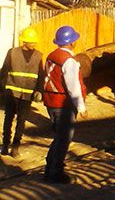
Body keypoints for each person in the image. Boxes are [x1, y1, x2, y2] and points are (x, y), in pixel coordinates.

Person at [43, 25, 87, 184]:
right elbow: (73, 86)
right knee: (64, 139)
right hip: (63, 104)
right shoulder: (69, 61)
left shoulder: (51, 55)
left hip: (51, 102)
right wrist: (81, 107)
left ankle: (50, 168)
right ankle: (55, 173)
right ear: (72, 42)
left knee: (58, 136)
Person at [0, 27, 45, 158]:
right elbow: (4, 71)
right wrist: (2, 90)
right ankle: (5, 144)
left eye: (35, 42)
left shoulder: (38, 56)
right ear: (24, 42)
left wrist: (39, 90)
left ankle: (15, 147)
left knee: (22, 120)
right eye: (32, 42)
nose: (34, 44)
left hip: (27, 94)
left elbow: (41, 75)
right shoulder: (12, 52)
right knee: (8, 118)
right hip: (11, 92)